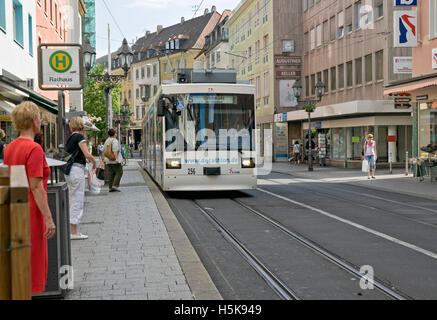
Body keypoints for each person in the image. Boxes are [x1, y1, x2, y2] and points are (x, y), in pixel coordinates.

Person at [4, 101, 56, 294]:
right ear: (34, 121)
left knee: (19, 263)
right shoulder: (34, 149)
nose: (41, 121)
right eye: (40, 118)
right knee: (32, 264)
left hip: (16, 210)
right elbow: (36, 186)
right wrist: (49, 218)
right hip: (32, 211)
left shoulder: (10, 147)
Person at [65, 117, 96, 240]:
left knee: (73, 199)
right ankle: (74, 231)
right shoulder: (79, 137)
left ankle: (72, 229)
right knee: (77, 200)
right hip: (77, 171)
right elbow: (87, 154)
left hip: (69, 171)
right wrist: (94, 162)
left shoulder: (70, 138)